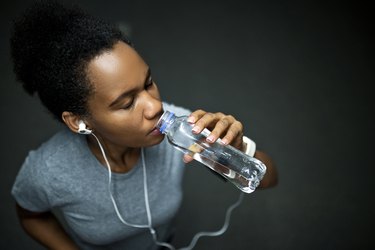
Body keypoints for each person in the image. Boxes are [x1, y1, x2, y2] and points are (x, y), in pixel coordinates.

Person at [10, 1, 278, 249]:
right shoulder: (48, 171)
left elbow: (269, 179)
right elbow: (31, 216)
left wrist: (237, 149)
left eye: (148, 83)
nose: (155, 107)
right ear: (80, 121)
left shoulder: (183, 130)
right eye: (126, 103)